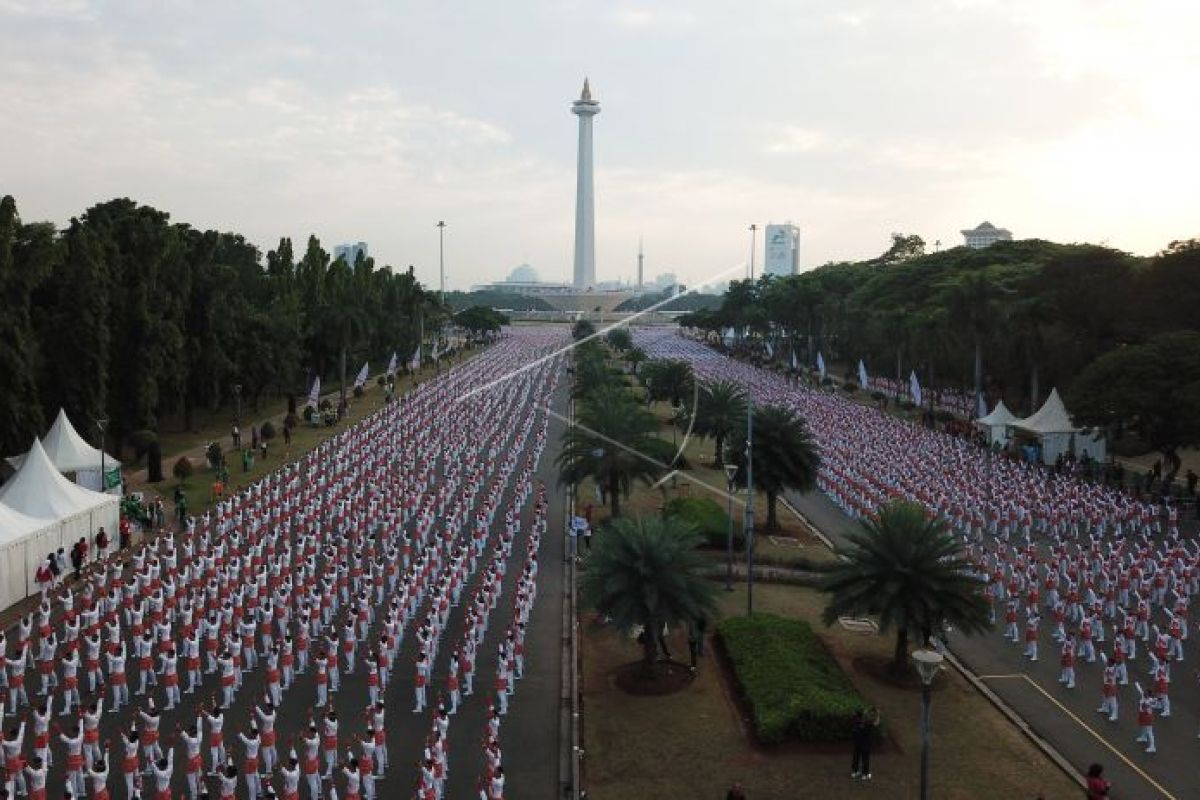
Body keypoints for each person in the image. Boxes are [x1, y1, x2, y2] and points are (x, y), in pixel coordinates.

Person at [850, 707, 879, 780]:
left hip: (857, 744)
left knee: (856, 757)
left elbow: (860, 715)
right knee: (865, 759)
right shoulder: (868, 724)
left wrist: (867, 711)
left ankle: (854, 772)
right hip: (866, 744)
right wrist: (878, 714)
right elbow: (876, 723)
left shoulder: (855, 722)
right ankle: (865, 774)